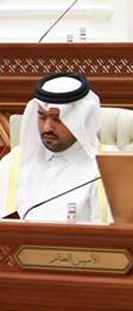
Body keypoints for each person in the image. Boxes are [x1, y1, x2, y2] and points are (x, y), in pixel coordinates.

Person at [0, 72, 112, 223]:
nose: (47, 127)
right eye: (42, 116)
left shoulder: (105, 167)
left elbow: (108, 238)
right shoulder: (15, 162)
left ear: (79, 120)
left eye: (57, 119)